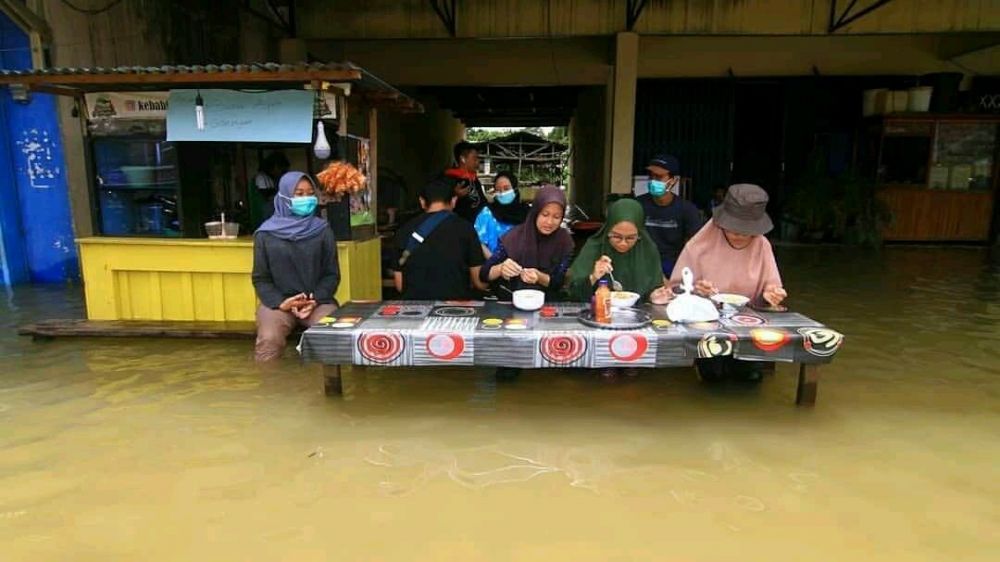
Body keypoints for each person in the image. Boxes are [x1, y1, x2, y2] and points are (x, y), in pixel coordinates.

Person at [668, 183, 787, 383]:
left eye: (746, 231)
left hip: (748, 321)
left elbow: (772, 287)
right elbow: (674, 289)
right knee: (712, 375)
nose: (739, 235)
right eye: (733, 229)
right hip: (705, 321)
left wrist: (771, 294)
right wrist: (696, 290)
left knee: (750, 376)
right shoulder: (700, 245)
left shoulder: (762, 246)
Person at [252, 171, 340, 362]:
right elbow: (261, 278)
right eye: (299, 194)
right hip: (279, 304)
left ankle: (326, 387)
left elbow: (331, 274)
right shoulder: (265, 234)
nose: (306, 198)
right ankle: (270, 388)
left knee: (328, 334)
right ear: (284, 196)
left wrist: (314, 299)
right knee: (269, 340)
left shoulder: (323, 230)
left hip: (317, 302)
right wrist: (281, 302)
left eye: (310, 193)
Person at [393, 175, 486, 300]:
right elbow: (479, 282)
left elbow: (400, 285)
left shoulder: (403, 231)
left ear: (422, 201)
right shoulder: (465, 229)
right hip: (454, 310)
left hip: (415, 311)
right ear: (454, 201)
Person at [480, 185, 574, 297]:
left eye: (556, 217)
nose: (549, 222)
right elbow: (484, 274)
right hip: (512, 302)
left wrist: (539, 277)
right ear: (535, 212)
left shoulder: (564, 241)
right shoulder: (513, 237)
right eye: (545, 215)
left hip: (549, 306)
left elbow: (558, 282)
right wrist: (501, 269)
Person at [636, 154, 703, 277]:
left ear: (673, 181)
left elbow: (694, 245)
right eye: (651, 176)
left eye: (659, 177)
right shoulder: (637, 205)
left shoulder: (687, 209)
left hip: (673, 264)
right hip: (641, 262)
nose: (653, 180)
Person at [474, 171, 530, 257]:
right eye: (498, 190)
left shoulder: (527, 212)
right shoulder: (487, 213)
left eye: (506, 188)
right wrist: (494, 262)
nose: (502, 193)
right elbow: (479, 242)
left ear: (515, 189)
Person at [447, 141, 487, 223]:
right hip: (462, 227)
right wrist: (454, 195)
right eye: (474, 158)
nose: (478, 162)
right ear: (463, 159)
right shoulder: (449, 179)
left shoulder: (473, 178)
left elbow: (482, 201)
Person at [250, 151, 291, 227]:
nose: (282, 172)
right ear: (275, 167)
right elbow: (268, 196)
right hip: (263, 216)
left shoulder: (272, 179)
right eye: (281, 169)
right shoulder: (262, 178)